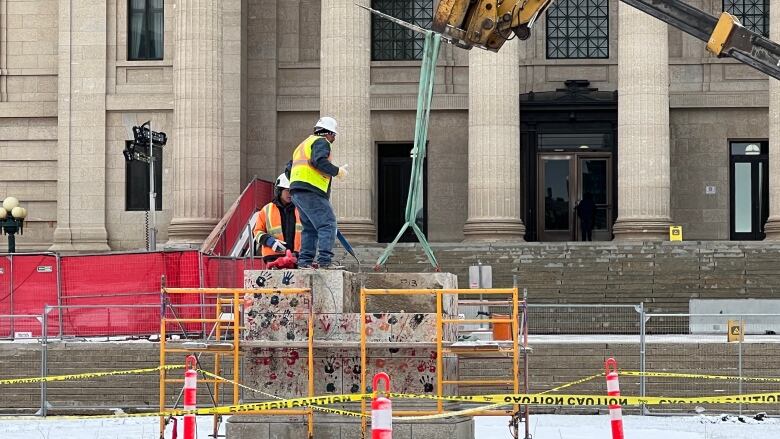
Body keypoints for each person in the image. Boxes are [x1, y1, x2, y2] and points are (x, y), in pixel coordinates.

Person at [287, 116, 348, 269]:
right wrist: (337, 171)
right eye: (333, 135)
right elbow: (319, 161)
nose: (333, 139)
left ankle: (305, 262)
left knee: (310, 228)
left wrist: (299, 182)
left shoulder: (302, 145)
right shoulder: (322, 142)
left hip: (297, 191)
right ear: (329, 133)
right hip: (311, 191)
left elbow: (289, 169)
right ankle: (324, 261)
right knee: (327, 224)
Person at [253, 173, 302, 264]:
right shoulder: (267, 209)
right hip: (274, 258)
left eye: (293, 191)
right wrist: (270, 242)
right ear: (279, 191)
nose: (290, 194)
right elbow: (257, 232)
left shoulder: (300, 209)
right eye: (287, 190)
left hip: (297, 258)